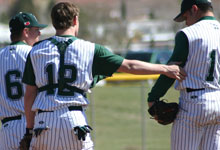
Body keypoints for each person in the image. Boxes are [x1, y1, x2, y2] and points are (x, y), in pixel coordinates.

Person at [22, 2, 186, 150]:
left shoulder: (36, 51)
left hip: (43, 123)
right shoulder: (90, 49)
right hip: (74, 121)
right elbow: (130, 65)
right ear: (75, 21)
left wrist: (29, 130)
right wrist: (165, 68)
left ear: (53, 22)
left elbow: (29, 94)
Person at [147, 0, 220, 150]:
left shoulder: (188, 34)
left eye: (186, 18)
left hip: (195, 104)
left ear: (194, 9)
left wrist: (153, 97)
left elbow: (172, 70)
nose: (186, 23)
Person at [0, 12, 47, 150]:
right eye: (36, 30)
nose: (39, 33)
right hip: (31, 127)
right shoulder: (35, 55)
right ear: (25, 31)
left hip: (7, 130)